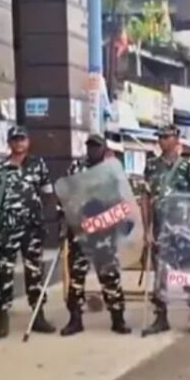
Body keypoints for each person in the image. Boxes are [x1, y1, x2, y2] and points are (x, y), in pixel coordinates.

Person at [0, 126, 56, 338]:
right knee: (4, 271)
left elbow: (47, 194)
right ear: (9, 143)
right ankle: (3, 316)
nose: (18, 143)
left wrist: (39, 214)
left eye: (22, 139)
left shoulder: (38, 165)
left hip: (32, 228)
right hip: (7, 229)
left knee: (34, 271)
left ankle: (38, 315)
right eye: (14, 140)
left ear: (28, 141)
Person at [59, 134, 130, 336]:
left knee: (110, 276)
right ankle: (75, 318)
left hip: (103, 233)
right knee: (76, 278)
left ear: (104, 149)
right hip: (80, 233)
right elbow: (65, 196)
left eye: (96, 147)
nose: (92, 150)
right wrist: (65, 222)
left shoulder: (111, 172)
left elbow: (120, 200)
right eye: (90, 146)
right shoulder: (76, 169)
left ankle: (118, 318)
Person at [141, 125, 190, 336]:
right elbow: (146, 199)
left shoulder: (188, 167)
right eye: (159, 136)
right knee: (161, 275)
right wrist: (147, 230)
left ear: (176, 139)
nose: (162, 140)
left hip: (183, 229)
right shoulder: (151, 166)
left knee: (188, 273)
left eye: (166, 136)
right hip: (161, 229)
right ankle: (161, 317)